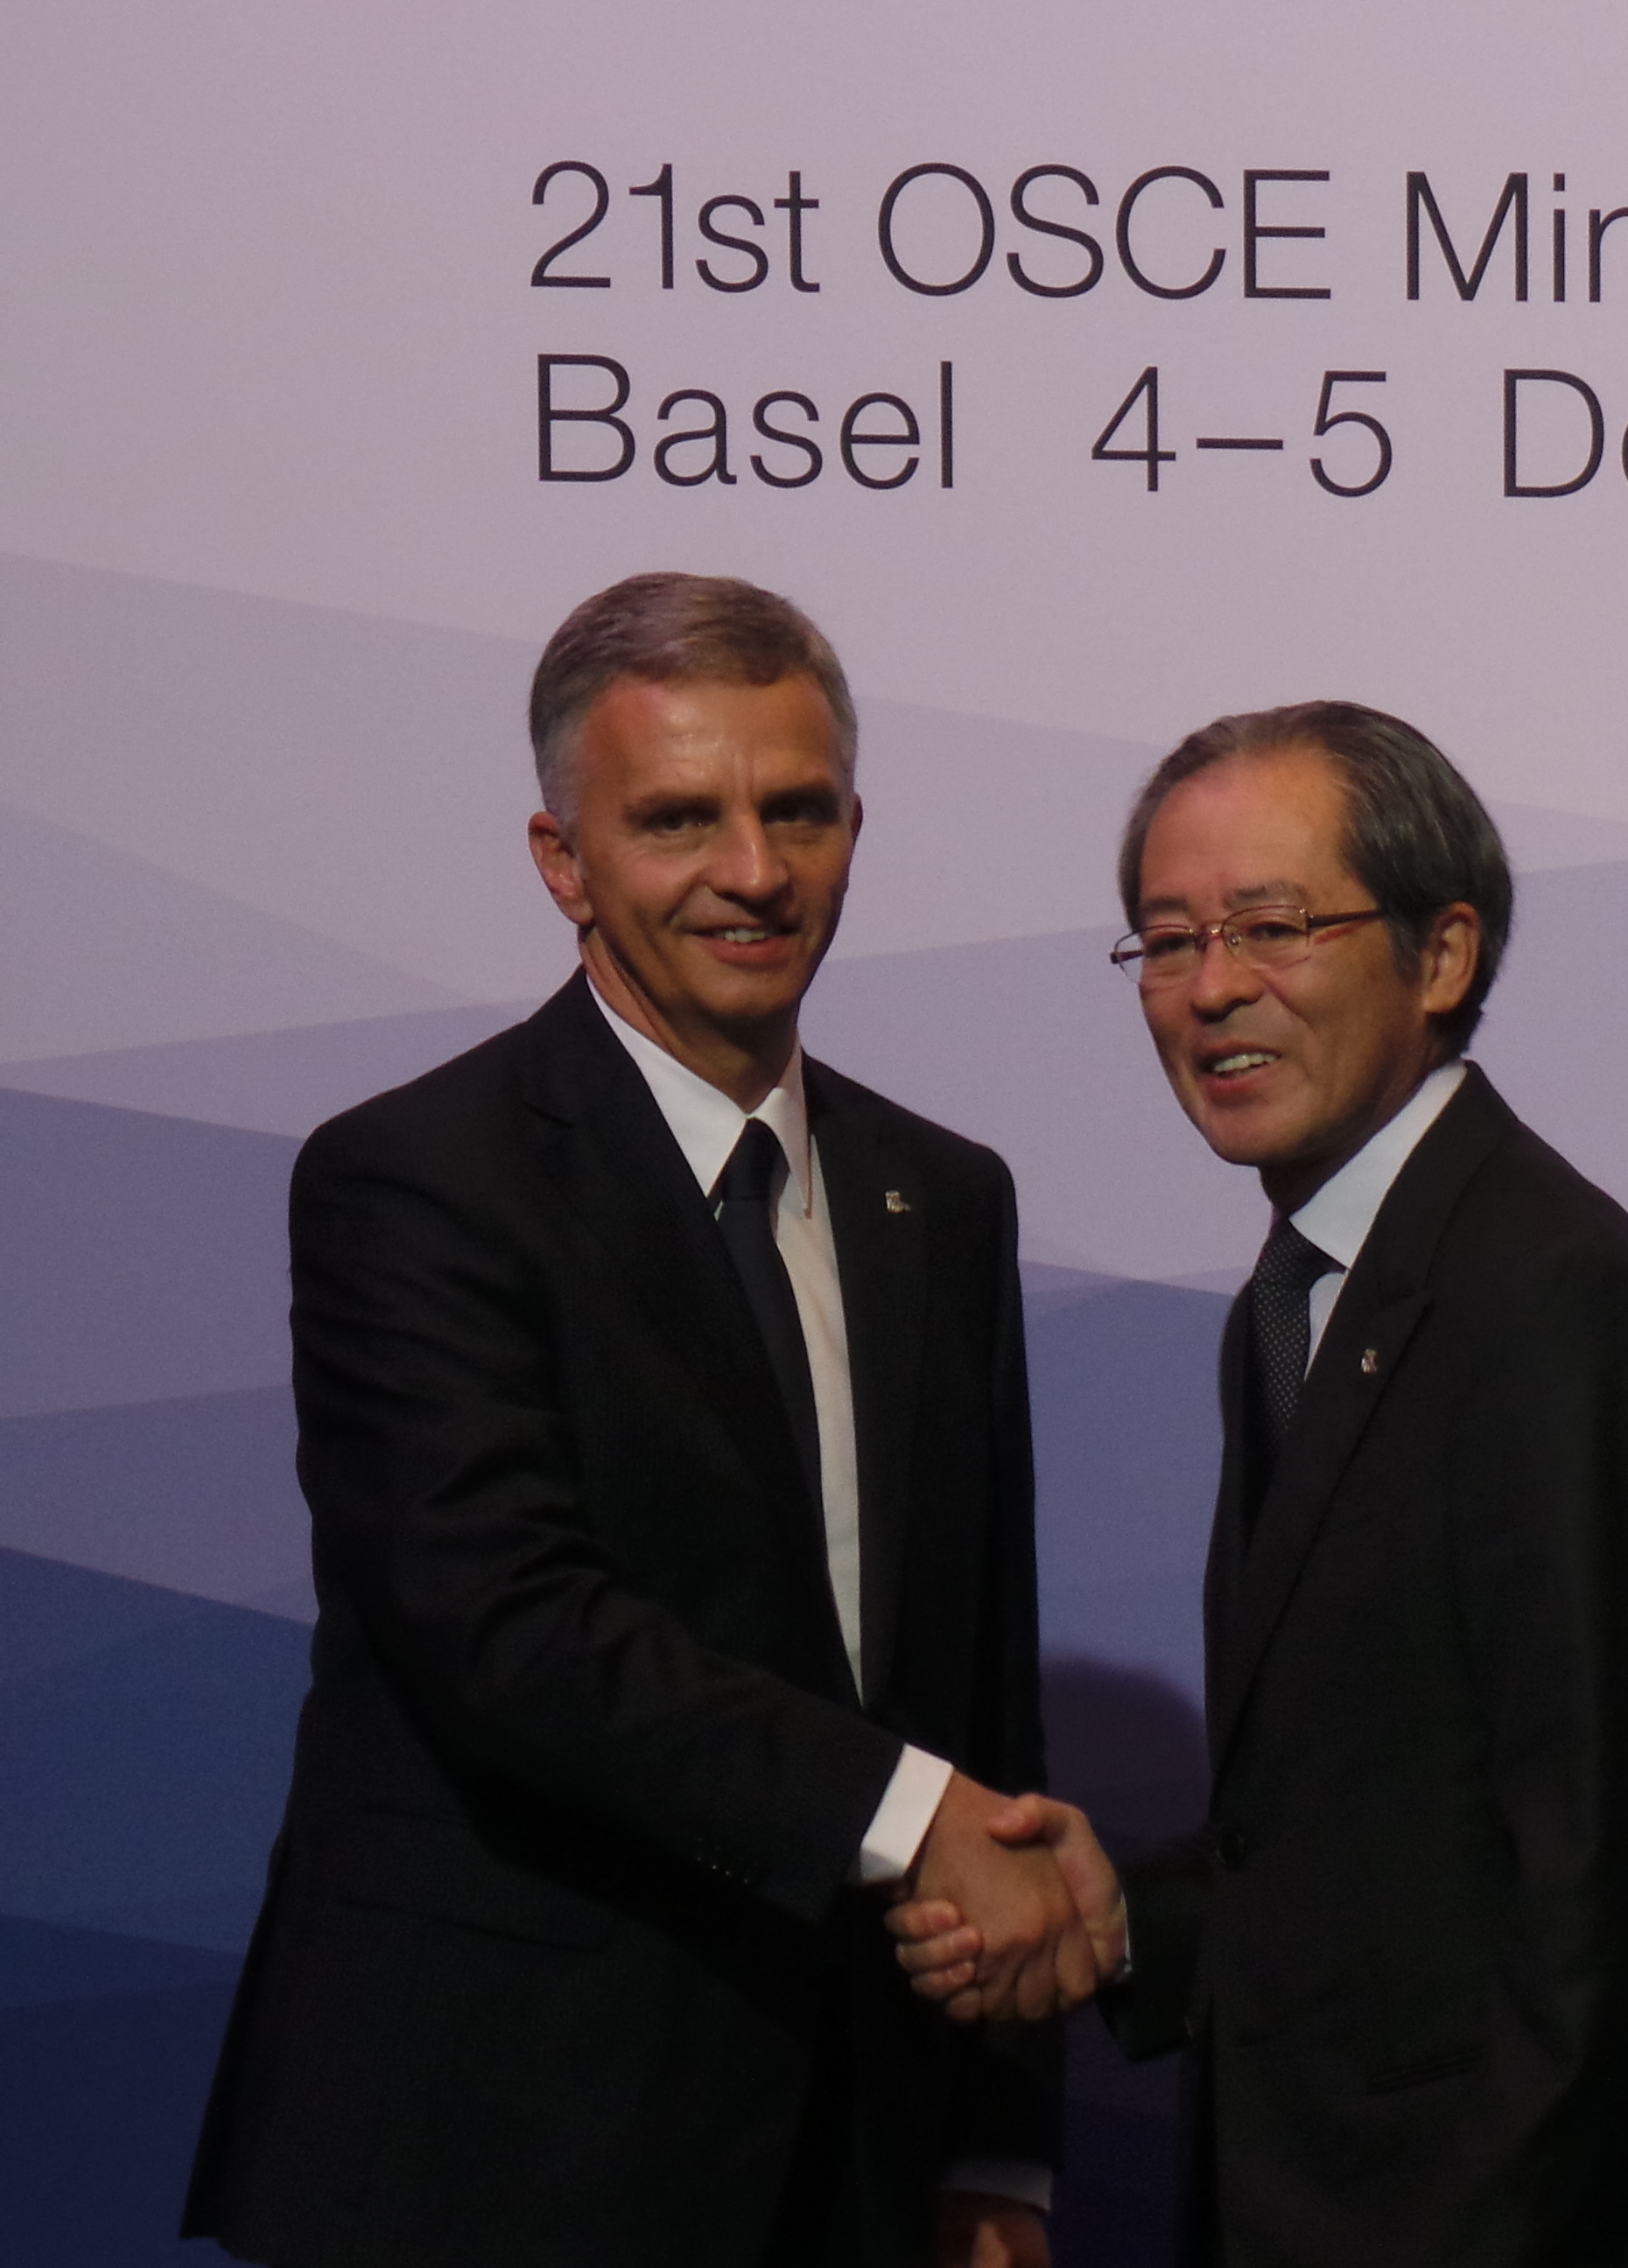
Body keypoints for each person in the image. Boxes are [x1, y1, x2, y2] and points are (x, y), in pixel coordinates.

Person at [184, 573, 1098, 2268]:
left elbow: (979, 1686)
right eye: (679, 816)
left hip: (855, 2164)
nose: (753, 870)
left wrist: (997, 2146)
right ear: (563, 862)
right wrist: (915, 1820)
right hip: (502, 2154)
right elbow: (512, 1635)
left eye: (798, 811)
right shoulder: (417, 1184)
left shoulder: (941, 1197)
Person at [893, 703, 1628, 2267]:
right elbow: (1363, 1835)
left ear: (1442, 956)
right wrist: (1120, 1925)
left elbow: (1594, 1886)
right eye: (1166, 940)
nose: (1212, 986)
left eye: (1273, 926)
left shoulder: (1540, 1286)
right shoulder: (1302, 1302)